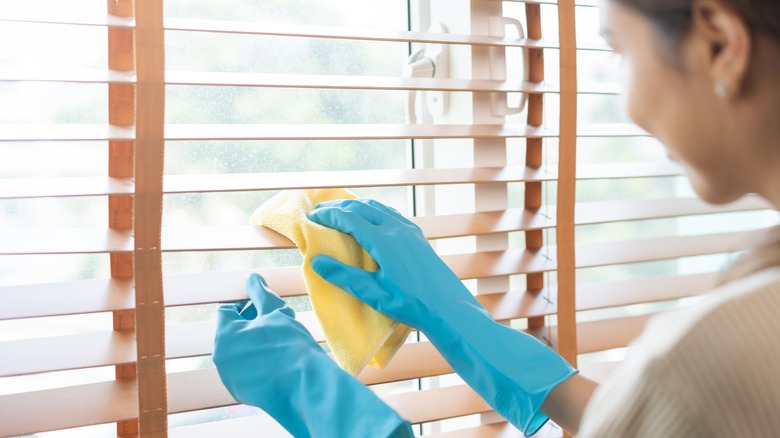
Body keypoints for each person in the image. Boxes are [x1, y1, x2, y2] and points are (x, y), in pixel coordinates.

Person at [212, 0, 780, 436]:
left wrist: (316, 398)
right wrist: (463, 325)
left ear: (719, 44)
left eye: (619, 51)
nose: (626, 104)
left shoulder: (719, 346)